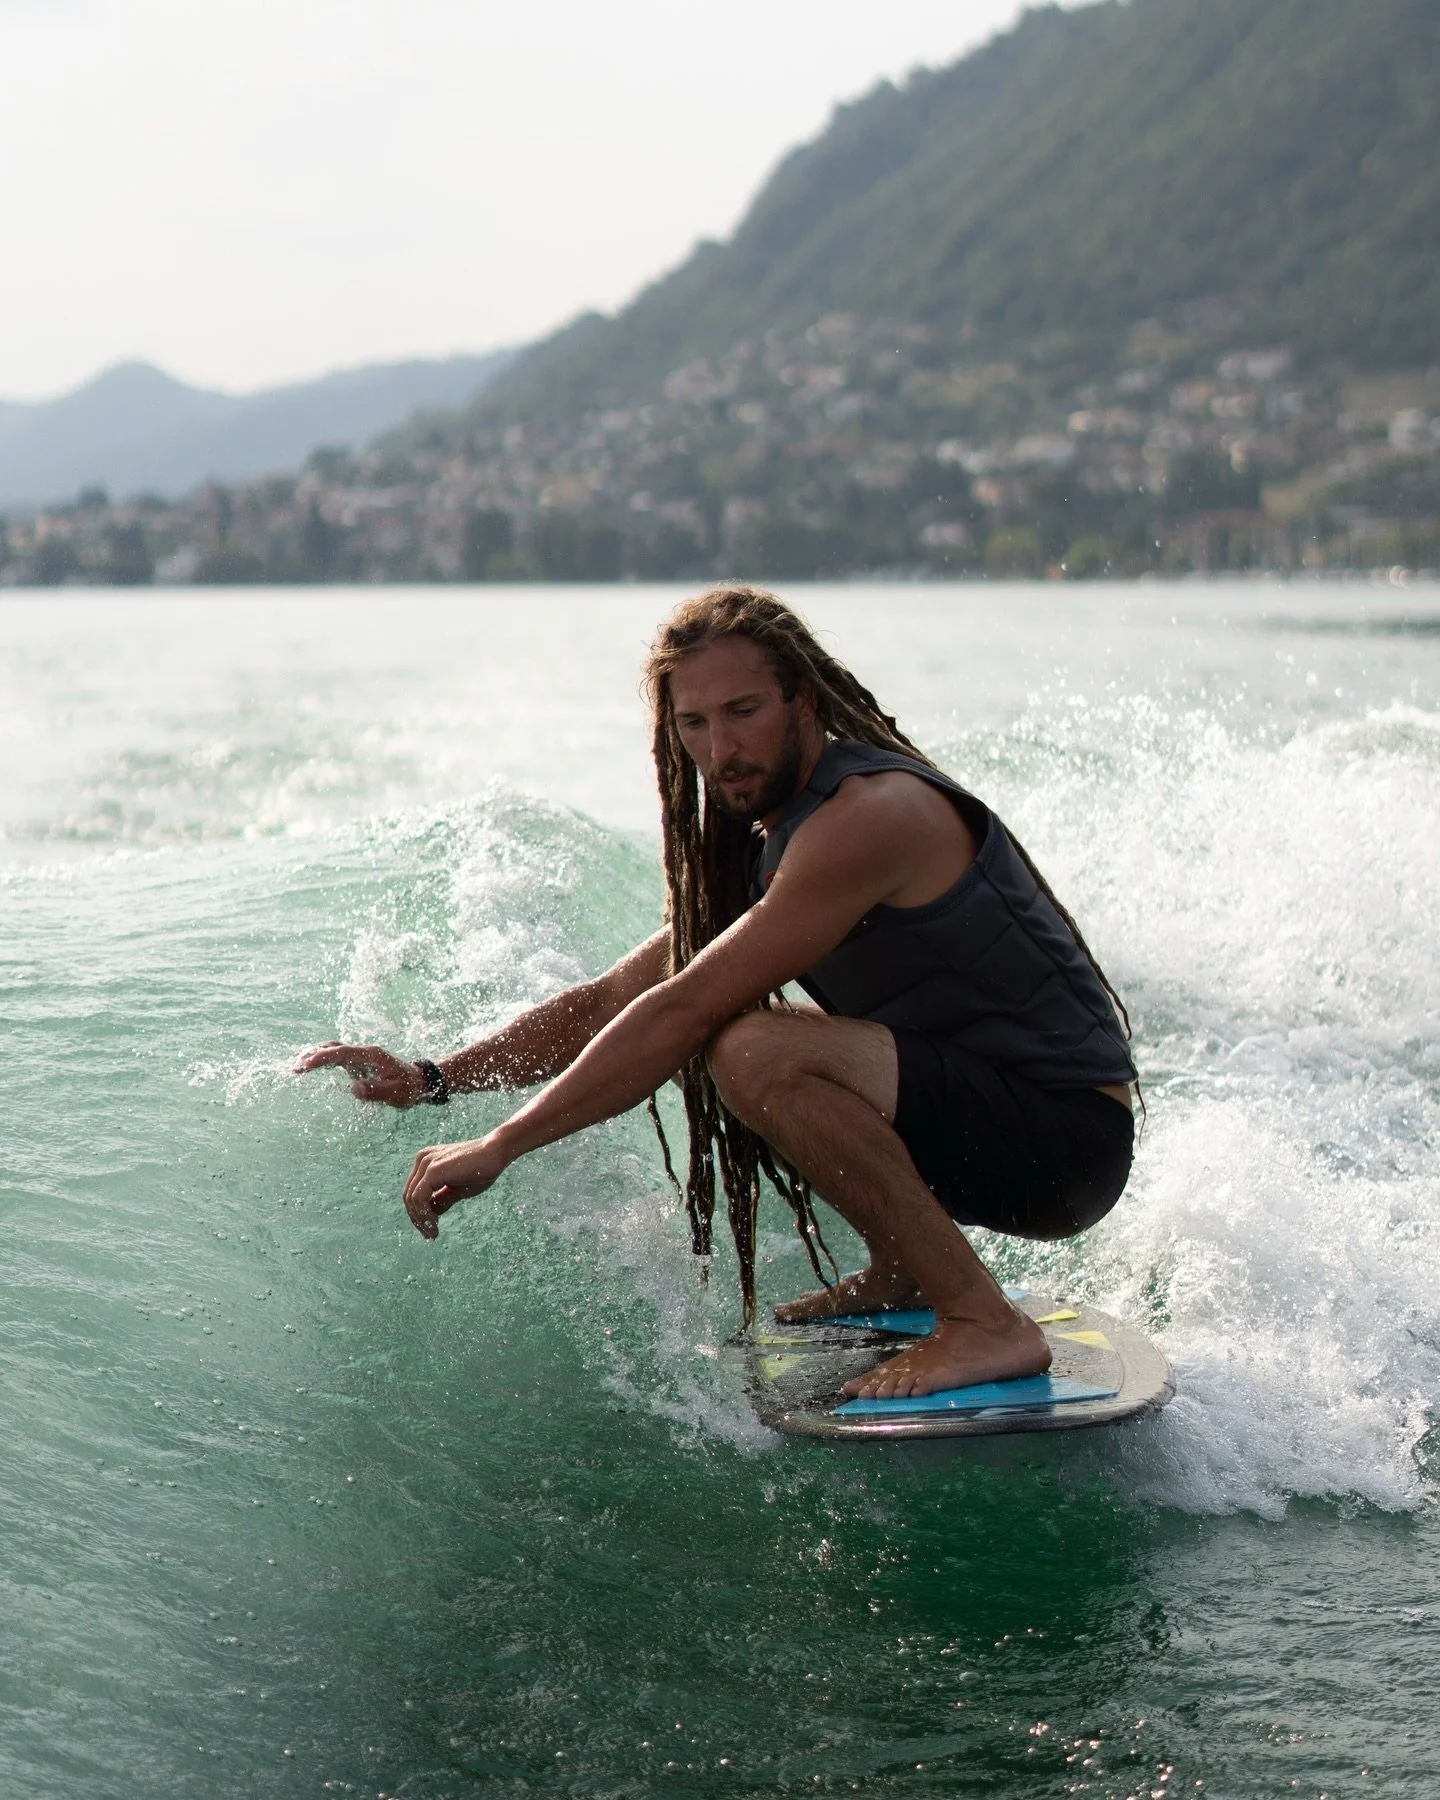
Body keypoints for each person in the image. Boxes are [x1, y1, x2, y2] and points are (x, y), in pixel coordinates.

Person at [295, 587, 1137, 1400]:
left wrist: (503, 1145)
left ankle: (983, 1320)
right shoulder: (780, 832)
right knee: (738, 1034)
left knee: (751, 1048)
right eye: (693, 723)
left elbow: (684, 1010)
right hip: (978, 1120)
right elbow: (617, 998)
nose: (720, 748)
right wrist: (435, 1078)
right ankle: (906, 1266)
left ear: (802, 699)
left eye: (743, 711)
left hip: (1062, 1145)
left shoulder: (868, 817)